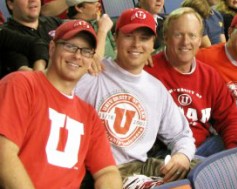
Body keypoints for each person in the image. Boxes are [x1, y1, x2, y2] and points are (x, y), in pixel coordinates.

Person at [75, 8, 196, 186]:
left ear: (153, 43)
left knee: (211, 173)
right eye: (129, 36)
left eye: (144, 38)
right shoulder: (93, 73)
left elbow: (181, 135)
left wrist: (182, 156)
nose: (136, 44)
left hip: (142, 167)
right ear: (115, 38)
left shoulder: (156, 89)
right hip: (105, 172)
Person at [0, 20, 122, 189]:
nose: (77, 56)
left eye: (86, 51)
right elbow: (4, 155)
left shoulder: (89, 115)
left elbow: (107, 172)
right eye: (70, 46)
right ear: (51, 48)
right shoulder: (20, 85)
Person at [145, 7, 237, 157]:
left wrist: (233, 154)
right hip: (165, 155)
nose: (185, 42)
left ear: (200, 40)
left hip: (202, 148)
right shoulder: (148, 71)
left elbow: (231, 118)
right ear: (166, 37)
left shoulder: (209, 75)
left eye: (192, 35)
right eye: (178, 34)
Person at [1, 0, 62, 77]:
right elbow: (26, 73)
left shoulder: (54, 22)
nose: (33, 0)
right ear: (10, 4)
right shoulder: (6, 36)